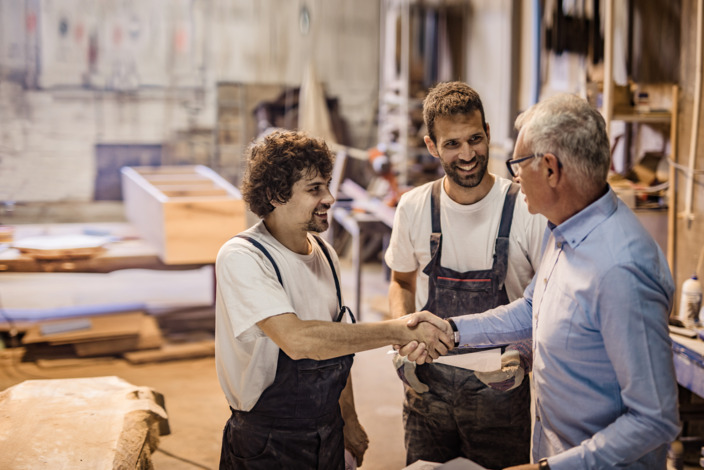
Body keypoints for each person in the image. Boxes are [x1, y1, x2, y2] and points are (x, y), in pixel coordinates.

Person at [404, 93, 681, 469]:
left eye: (518, 163)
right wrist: (452, 331)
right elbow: (533, 307)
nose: (514, 176)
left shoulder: (620, 269)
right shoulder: (566, 231)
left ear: (550, 169)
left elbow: (655, 420)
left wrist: (551, 468)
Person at [215, 129, 454, 470]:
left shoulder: (324, 253)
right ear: (275, 194)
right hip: (267, 441)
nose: (329, 197)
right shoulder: (243, 257)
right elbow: (298, 340)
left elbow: (335, 345)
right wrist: (398, 330)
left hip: (327, 431)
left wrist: (349, 419)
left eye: (327, 184)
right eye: (314, 189)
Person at [384, 81, 546, 468]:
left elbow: (548, 296)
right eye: (452, 144)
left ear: (489, 133)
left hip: (501, 394)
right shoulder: (413, 207)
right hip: (428, 390)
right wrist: (401, 336)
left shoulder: (526, 208)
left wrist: (524, 351)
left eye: (475, 139)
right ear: (431, 146)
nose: (468, 154)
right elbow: (401, 281)